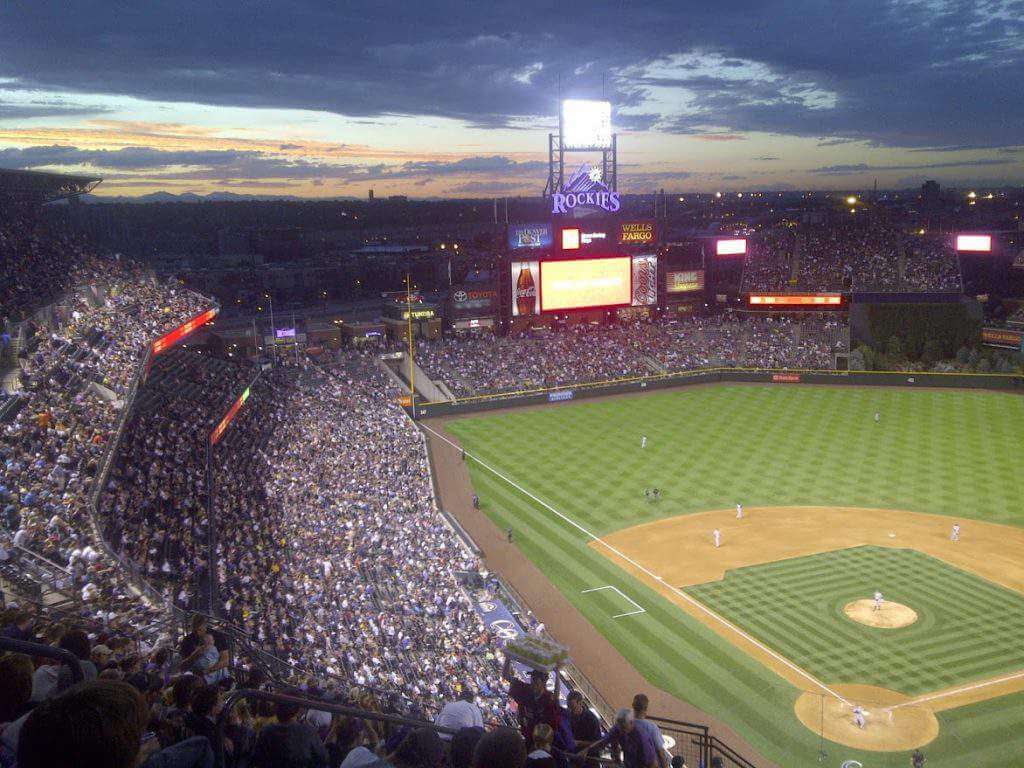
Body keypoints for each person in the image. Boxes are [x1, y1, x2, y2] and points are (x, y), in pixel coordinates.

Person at [252, 693, 329, 768]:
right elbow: (323, 758)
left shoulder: (266, 730)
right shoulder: (308, 731)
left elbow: (257, 760)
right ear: (298, 710)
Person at [502, 657, 560, 750]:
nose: (532, 683)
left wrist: (558, 674)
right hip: (526, 736)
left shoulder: (548, 698)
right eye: (532, 679)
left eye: (536, 681)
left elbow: (556, 696)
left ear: (544, 682)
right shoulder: (525, 689)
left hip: (542, 743)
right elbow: (506, 676)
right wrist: (508, 658)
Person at [579, 708, 656, 768]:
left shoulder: (641, 736)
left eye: (624, 727)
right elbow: (604, 741)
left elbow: (651, 763)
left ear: (632, 722)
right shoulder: (618, 728)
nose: (621, 731)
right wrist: (587, 750)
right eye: (620, 727)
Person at [631, 695, 668, 768]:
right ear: (646, 708)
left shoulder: (626, 725)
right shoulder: (652, 727)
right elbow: (660, 753)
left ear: (633, 706)